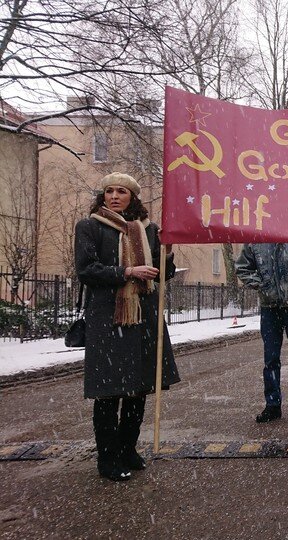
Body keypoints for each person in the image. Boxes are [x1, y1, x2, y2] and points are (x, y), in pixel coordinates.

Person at [75, 172, 179, 481]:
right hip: (109, 318)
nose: (115, 196)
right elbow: (87, 270)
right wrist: (127, 271)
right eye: (110, 191)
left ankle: (128, 449)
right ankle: (107, 458)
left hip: (143, 317)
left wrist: (168, 252)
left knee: (138, 388)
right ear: (103, 196)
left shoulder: (148, 230)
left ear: (132, 197)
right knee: (109, 392)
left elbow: (163, 274)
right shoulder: (90, 227)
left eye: (122, 191)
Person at [236, 243, 288, 424]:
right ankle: (272, 405)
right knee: (271, 359)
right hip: (269, 307)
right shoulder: (256, 240)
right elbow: (242, 268)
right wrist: (261, 284)